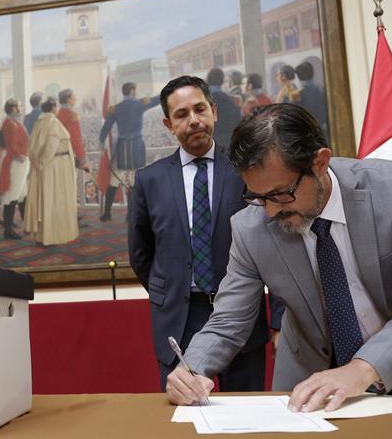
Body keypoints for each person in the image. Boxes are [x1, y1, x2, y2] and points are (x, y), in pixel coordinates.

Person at [167, 104, 392, 439]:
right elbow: (229, 318)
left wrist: (363, 368)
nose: (270, 211)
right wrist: (192, 368)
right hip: (315, 379)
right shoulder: (250, 226)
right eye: (257, 197)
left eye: (281, 194)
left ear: (319, 162)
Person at [129, 76, 271, 391]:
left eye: (199, 109)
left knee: (246, 415)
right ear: (168, 123)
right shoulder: (149, 181)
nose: (193, 120)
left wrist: (278, 320)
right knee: (184, 420)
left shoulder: (245, 171)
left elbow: (274, 245)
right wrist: (168, 292)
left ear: (214, 111)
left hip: (241, 311)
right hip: (180, 318)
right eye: (181, 115)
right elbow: (141, 254)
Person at [98, 82, 159, 221]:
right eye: (135, 90)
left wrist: (101, 142)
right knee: (133, 181)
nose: (136, 92)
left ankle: (107, 213)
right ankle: (130, 215)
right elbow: (157, 100)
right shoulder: (140, 104)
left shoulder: (116, 109)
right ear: (132, 91)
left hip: (122, 147)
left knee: (114, 180)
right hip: (136, 147)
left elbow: (106, 128)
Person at [25, 97, 79, 246]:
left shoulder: (40, 121)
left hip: (48, 166)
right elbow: (51, 146)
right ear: (53, 107)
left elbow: (34, 144)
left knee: (47, 199)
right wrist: (42, 163)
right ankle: (52, 236)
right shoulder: (53, 122)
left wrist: (39, 163)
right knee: (54, 200)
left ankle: (43, 236)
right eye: (57, 106)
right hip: (55, 166)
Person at [57, 88, 90, 228]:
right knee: (71, 187)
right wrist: (82, 159)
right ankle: (71, 217)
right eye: (73, 97)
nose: (75, 99)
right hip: (71, 156)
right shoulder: (72, 115)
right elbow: (76, 139)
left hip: (58, 157)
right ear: (69, 99)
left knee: (62, 188)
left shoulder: (57, 114)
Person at [0, 98, 29, 240]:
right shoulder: (10, 124)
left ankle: (26, 223)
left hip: (20, 162)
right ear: (12, 109)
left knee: (22, 194)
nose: (20, 109)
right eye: (18, 107)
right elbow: (11, 144)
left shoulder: (14, 122)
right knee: (12, 195)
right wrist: (19, 156)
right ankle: (8, 229)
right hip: (16, 163)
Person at [205, 67, 241, 153]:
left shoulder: (203, 101)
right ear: (222, 81)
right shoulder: (231, 100)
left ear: (208, 80)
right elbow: (237, 122)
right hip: (227, 145)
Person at [294, 62, 329, 139]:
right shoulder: (322, 89)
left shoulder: (299, 93)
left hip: (308, 131)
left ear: (298, 77)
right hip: (324, 128)